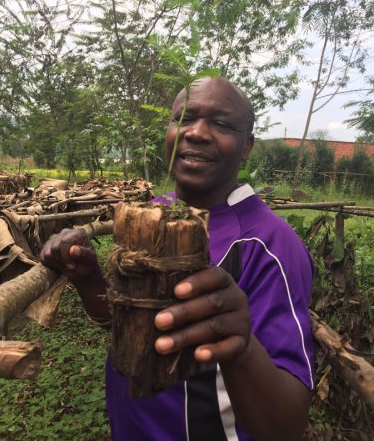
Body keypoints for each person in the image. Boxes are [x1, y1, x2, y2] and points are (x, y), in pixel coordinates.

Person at [40, 76, 315, 441]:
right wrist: (89, 278)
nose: (197, 132)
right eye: (184, 118)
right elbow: (132, 325)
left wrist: (241, 346)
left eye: (221, 123)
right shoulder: (152, 216)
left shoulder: (268, 245)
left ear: (247, 146)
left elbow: (287, 428)